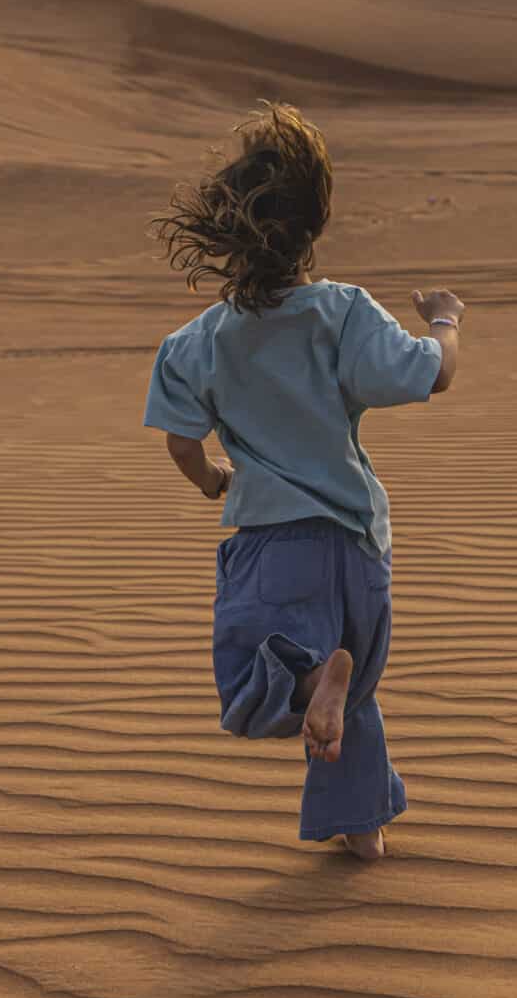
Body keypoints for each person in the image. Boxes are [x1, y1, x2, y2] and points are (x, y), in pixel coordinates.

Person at [143, 101, 463, 862]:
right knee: (347, 699)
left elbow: (181, 442)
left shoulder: (197, 341)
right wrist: (447, 321)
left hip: (271, 543)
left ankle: (315, 673)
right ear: (315, 222)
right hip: (357, 544)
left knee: (254, 687)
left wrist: (213, 480)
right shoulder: (342, 312)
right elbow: (434, 375)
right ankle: (362, 830)